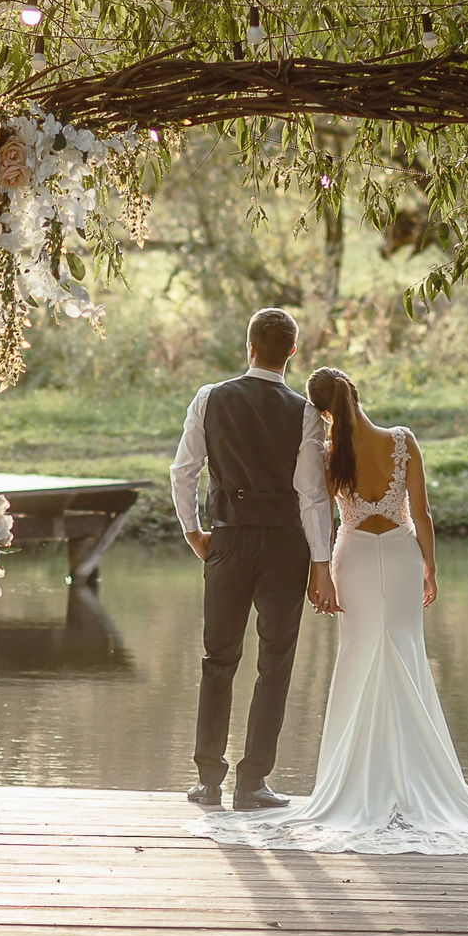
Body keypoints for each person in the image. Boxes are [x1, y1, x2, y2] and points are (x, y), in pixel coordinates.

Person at [188, 366, 468, 855]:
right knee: (405, 654)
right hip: (400, 555)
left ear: (321, 411)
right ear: (355, 393)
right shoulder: (402, 440)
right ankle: (413, 775)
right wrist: (430, 568)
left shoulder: (328, 453)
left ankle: (351, 779)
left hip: (352, 557)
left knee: (357, 659)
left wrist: (319, 570)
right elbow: (421, 514)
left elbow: (313, 502)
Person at [170, 308, 330, 810]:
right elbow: (312, 493)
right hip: (286, 546)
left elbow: (184, 472)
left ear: (250, 347)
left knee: (218, 659)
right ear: (292, 353)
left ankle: (208, 780)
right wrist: (321, 563)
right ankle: (253, 783)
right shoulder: (304, 411)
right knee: (275, 664)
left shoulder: (209, 398)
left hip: (229, 540)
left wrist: (194, 532)